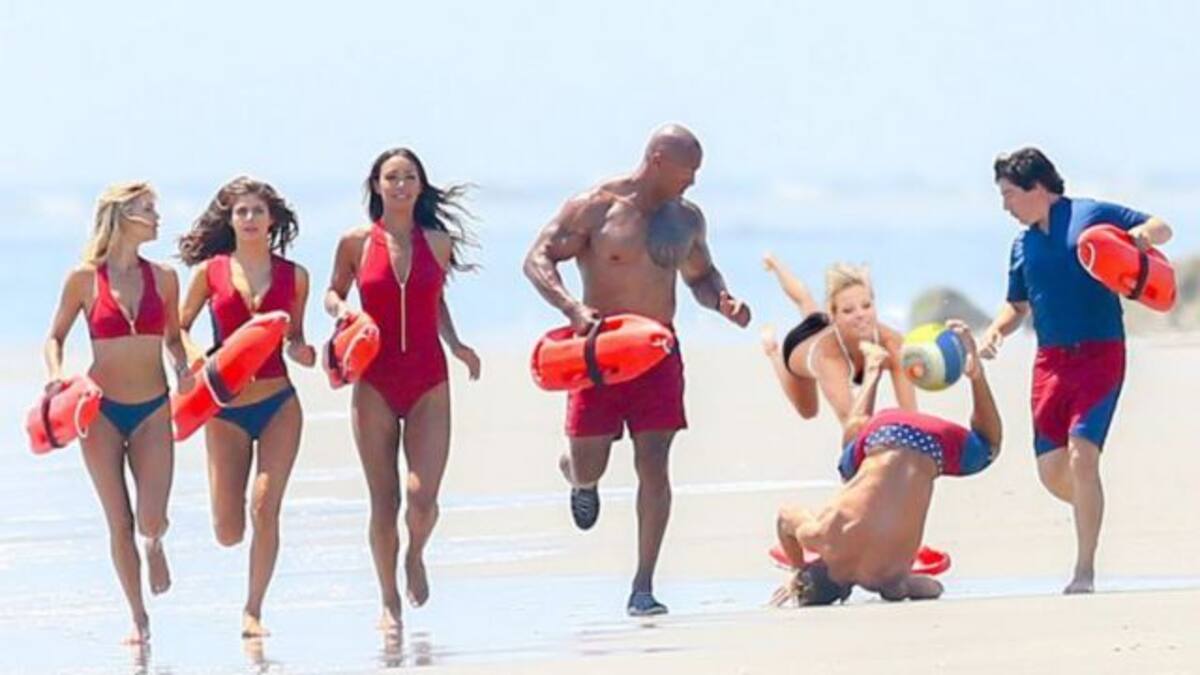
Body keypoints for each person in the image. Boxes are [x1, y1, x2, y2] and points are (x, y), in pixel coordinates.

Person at [523, 124, 751, 616]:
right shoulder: (595, 208)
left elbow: (701, 276)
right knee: (590, 463)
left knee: (654, 462)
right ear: (657, 161)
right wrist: (571, 308)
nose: (693, 182)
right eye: (687, 172)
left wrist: (723, 301)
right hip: (599, 353)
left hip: (657, 352)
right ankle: (578, 477)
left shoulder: (685, 219)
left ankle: (643, 585)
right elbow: (537, 259)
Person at [979, 147, 1172, 594]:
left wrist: (1140, 237)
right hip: (1050, 363)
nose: (1005, 206)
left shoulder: (1090, 214)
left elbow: (1163, 227)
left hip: (1100, 354)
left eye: (1009, 194)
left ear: (1036, 187)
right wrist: (995, 332)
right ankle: (1091, 503)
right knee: (1052, 472)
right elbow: (1017, 305)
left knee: (1083, 456)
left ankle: (1084, 570)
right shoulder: (1022, 245)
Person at [324, 148, 481, 632]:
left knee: (422, 498)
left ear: (420, 185)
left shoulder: (438, 242)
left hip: (428, 378)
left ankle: (415, 553)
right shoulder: (355, 242)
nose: (400, 185)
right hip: (374, 379)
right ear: (376, 185)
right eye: (391, 177)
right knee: (384, 500)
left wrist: (456, 344)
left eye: (409, 177)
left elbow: (436, 301)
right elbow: (333, 293)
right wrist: (344, 313)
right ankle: (389, 600)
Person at [43, 182, 190, 643]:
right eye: (148, 209)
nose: (157, 217)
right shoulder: (84, 279)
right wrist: (57, 375)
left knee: (149, 518)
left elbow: (173, 339)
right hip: (99, 413)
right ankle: (138, 619)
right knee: (119, 521)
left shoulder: (164, 278)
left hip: (152, 409)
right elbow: (55, 337)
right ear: (122, 216)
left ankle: (156, 542)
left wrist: (184, 367)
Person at [772, 322, 1001, 606]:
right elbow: (784, 517)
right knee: (849, 465)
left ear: (843, 594)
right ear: (815, 562)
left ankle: (976, 376)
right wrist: (796, 567)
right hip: (884, 430)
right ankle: (874, 370)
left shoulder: (887, 579)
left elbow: (933, 588)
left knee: (988, 449)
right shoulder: (818, 534)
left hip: (930, 446)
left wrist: (899, 584)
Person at [178, 176, 316, 637]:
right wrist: (196, 360)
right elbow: (179, 328)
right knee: (228, 530)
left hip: (279, 402)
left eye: (258, 211)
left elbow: (294, 336)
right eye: (242, 211)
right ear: (231, 220)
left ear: (272, 219)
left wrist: (303, 351)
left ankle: (253, 610)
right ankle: (224, 525)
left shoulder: (295, 277)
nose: (251, 218)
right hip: (225, 408)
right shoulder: (210, 272)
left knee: (264, 507)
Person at [761, 256, 917, 423]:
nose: (860, 315)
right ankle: (772, 351)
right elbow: (853, 426)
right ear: (833, 316)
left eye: (866, 305)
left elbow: (912, 414)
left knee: (806, 301)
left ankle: (774, 263)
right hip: (799, 345)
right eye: (848, 310)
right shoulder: (828, 358)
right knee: (808, 411)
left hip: (830, 327)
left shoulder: (892, 342)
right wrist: (872, 377)